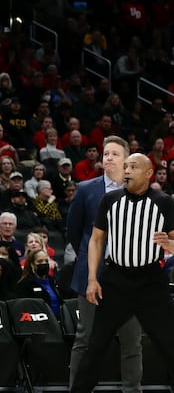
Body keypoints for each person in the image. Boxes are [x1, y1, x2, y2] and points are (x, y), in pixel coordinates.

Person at [71, 153, 174, 392]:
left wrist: (170, 246)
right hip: (115, 280)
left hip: (151, 282)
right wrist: (92, 279)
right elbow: (96, 240)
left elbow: (172, 240)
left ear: (149, 173)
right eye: (125, 166)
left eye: (133, 167)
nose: (126, 170)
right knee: (95, 347)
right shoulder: (110, 200)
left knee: (169, 345)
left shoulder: (164, 202)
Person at [67, 136, 143, 392]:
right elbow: (74, 232)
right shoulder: (87, 189)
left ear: (127, 160)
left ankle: (132, 390)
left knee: (132, 342)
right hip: (93, 276)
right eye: (105, 153)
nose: (108, 157)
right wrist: (91, 264)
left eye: (114, 154)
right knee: (85, 339)